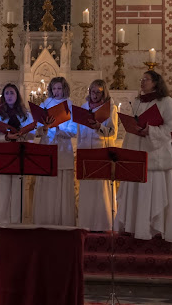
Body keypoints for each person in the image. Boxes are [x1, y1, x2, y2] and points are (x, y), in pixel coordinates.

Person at [114, 71, 172, 243]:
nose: (142, 82)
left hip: (155, 157)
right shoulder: (137, 101)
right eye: (141, 79)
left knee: (153, 193)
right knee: (136, 192)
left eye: (146, 79)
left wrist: (150, 131)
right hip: (137, 155)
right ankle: (133, 227)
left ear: (156, 82)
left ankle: (153, 229)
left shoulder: (166, 102)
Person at [34, 77, 78, 226]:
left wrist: (58, 128)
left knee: (61, 184)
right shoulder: (45, 104)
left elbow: (73, 131)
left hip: (63, 148)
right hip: (47, 146)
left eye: (59, 88)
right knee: (47, 184)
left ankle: (61, 220)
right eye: (54, 89)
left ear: (64, 88)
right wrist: (45, 127)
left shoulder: (70, 105)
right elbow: (38, 129)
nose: (56, 91)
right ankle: (45, 219)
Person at [76, 79, 118, 231]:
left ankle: (104, 224)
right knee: (87, 189)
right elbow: (80, 132)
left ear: (103, 93)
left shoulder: (110, 108)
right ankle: (86, 224)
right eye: (92, 91)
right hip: (86, 150)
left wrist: (99, 127)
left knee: (101, 190)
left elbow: (113, 133)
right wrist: (80, 150)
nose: (94, 95)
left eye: (98, 92)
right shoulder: (84, 107)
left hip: (102, 151)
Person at [0, 83, 35, 224]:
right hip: (3, 153)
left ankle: (17, 221)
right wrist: (6, 137)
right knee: (3, 190)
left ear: (17, 96)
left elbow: (32, 134)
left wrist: (22, 135)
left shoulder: (25, 114)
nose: (9, 96)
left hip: (20, 153)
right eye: (7, 93)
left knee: (19, 190)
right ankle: (3, 221)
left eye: (12, 93)